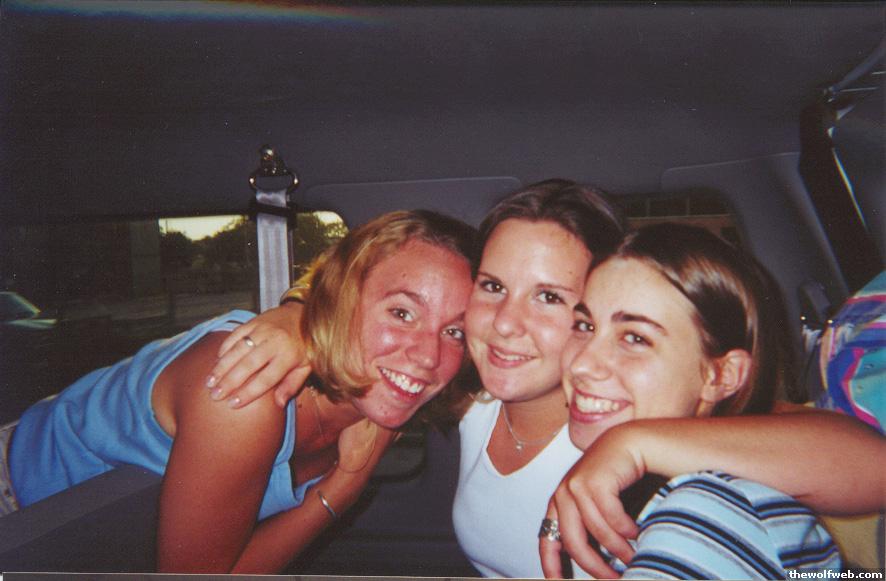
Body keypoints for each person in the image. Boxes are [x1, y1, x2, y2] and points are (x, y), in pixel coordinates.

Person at [208, 182, 884, 579]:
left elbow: (866, 462)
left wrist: (634, 445)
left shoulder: (634, 416)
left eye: (552, 299)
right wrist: (298, 314)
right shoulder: (468, 392)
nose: (506, 324)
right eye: (493, 286)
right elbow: (379, 287)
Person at [0, 210, 477, 574]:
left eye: (455, 331)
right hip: (18, 508)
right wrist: (344, 486)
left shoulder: (375, 401)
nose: (427, 356)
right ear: (342, 299)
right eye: (401, 313)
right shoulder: (249, 393)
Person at [541, 224, 884, 579]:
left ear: (721, 376)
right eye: (585, 326)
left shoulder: (707, 514)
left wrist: (633, 444)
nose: (580, 365)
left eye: (635, 338)